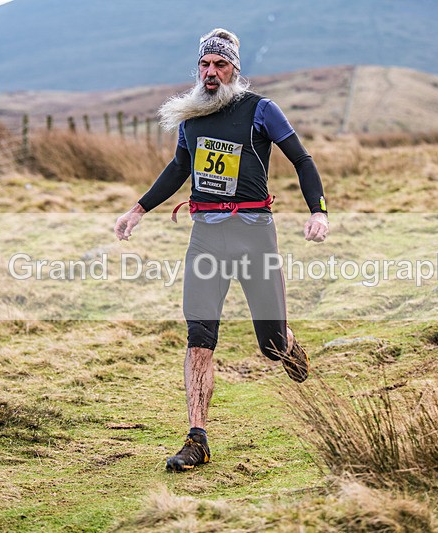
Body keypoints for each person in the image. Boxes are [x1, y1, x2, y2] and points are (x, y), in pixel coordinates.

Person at [113, 28, 329, 472]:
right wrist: (138, 209)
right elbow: (178, 168)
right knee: (199, 338)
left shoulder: (260, 111)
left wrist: (318, 211)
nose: (211, 72)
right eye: (205, 65)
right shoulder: (191, 117)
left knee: (269, 344)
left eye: (220, 65)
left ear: (235, 69)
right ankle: (197, 439)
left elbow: (302, 160)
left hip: (254, 236)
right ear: (198, 69)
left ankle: (287, 346)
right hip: (207, 238)